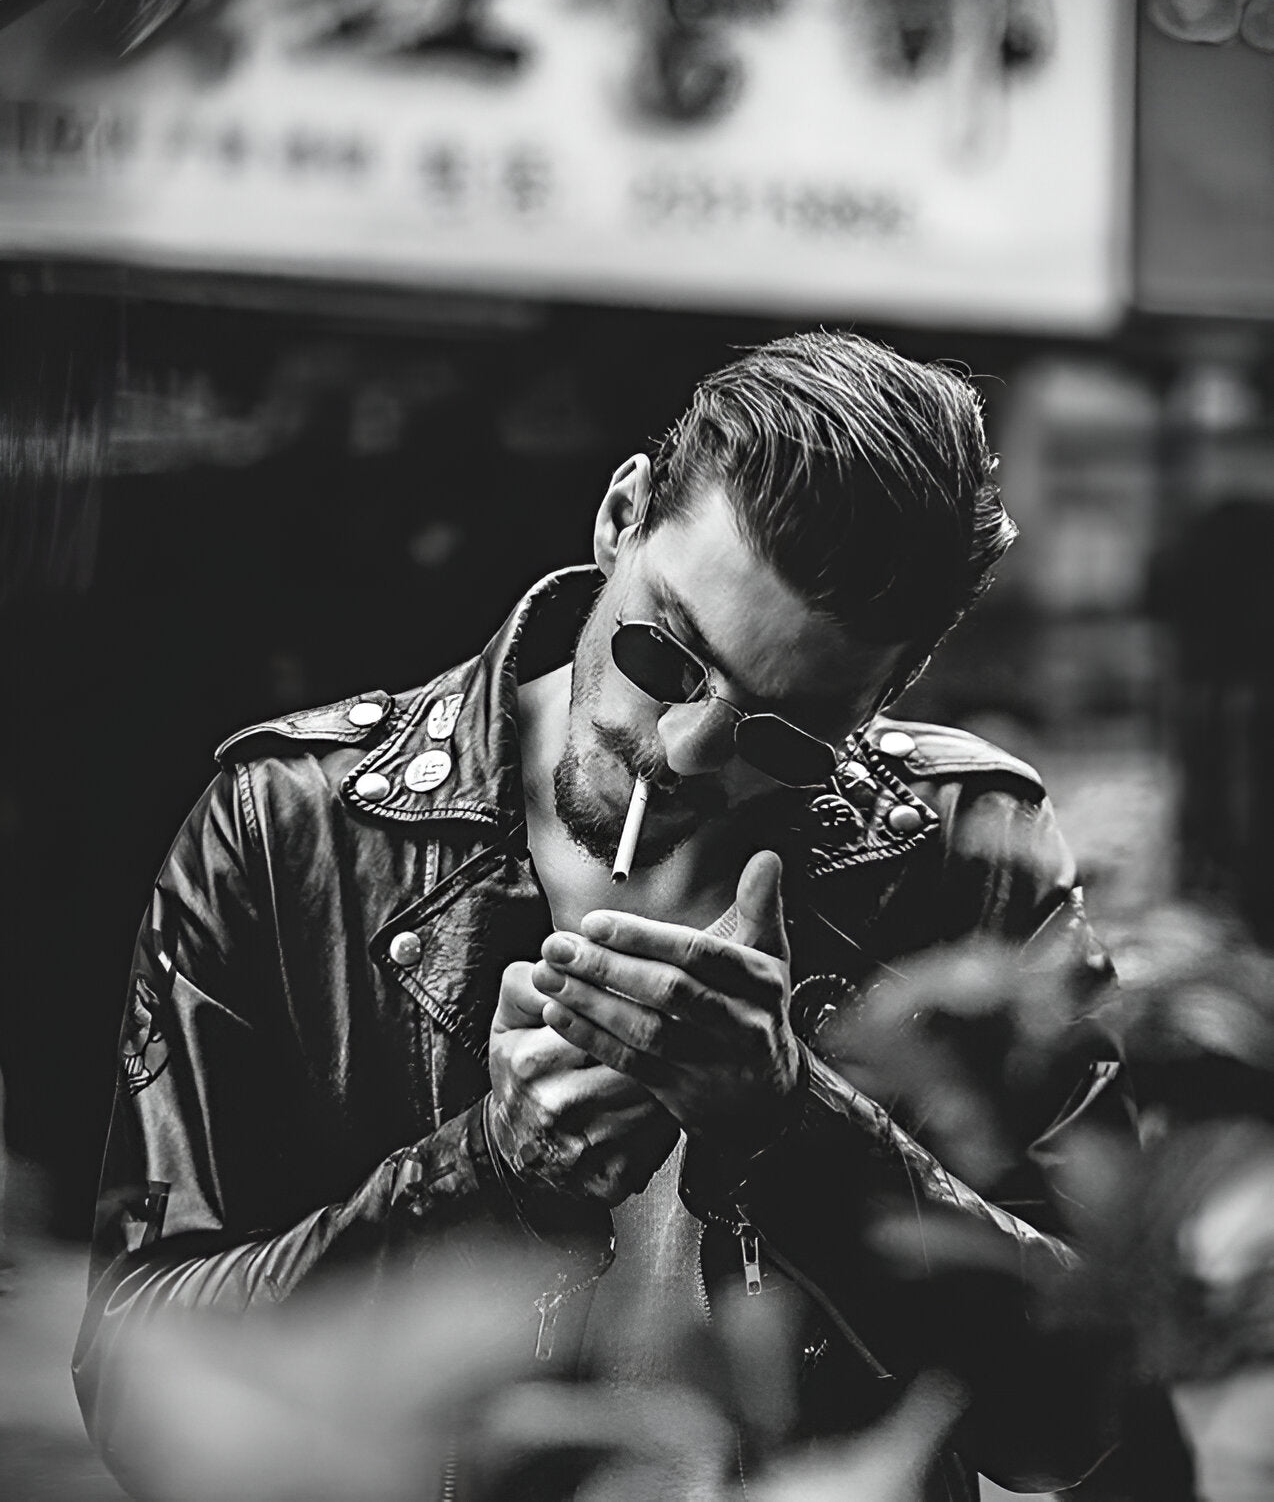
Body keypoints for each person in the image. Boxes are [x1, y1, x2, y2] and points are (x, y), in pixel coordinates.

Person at [75, 332, 1126, 1500]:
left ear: (887, 695)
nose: (681, 751)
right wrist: (487, 1170)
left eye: (781, 734)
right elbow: (142, 1383)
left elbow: (1074, 1406)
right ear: (620, 515)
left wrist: (790, 1121)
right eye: (663, 652)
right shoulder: (291, 831)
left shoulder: (969, 853)